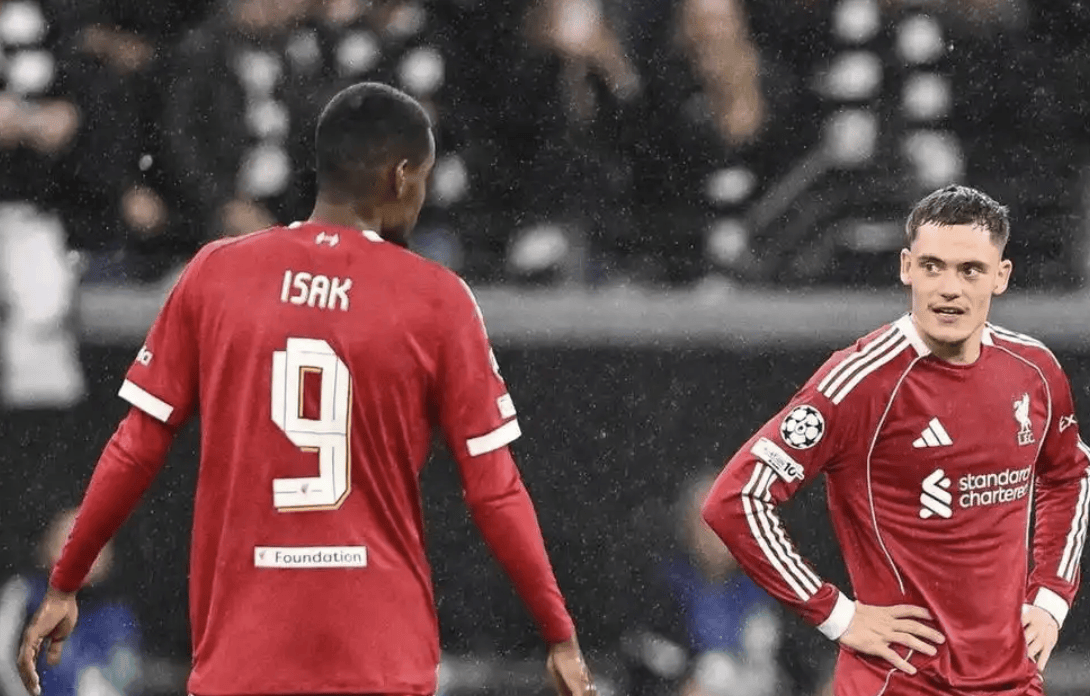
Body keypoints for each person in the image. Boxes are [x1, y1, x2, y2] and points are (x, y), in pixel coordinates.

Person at [17, 82, 595, 696]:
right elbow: (494, 489)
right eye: (422, 180)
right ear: (401, 176)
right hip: (380, 655)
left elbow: (136, 448)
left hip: (246, 657)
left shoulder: (216, 273)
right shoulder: (438, 299)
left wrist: (65, 581)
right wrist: (557, 631)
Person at [700, 185, 1088, 695]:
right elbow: (736, 499)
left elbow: (1069, 474)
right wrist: (836, 613)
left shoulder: (1034, 370)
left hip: (1013, 681)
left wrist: (1051, 597)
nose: (949, 288)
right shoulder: (860, 381)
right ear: (907, 268)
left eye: (970, 270)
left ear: (1001, 276)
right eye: (933, 267)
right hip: (899, 682)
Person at [623, 471, 785, 696]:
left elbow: (794, 669)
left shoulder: (770, 588)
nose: (718, 532)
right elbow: (642, 658)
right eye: (708, 521)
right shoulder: (662, 590)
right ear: (686, 527)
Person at [1, 508, 140, 696]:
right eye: (69, 542)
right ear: (48, 545)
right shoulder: (24, 594)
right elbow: (3, 657)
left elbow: (125, 674)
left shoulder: (116, 616)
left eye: (92, 546)